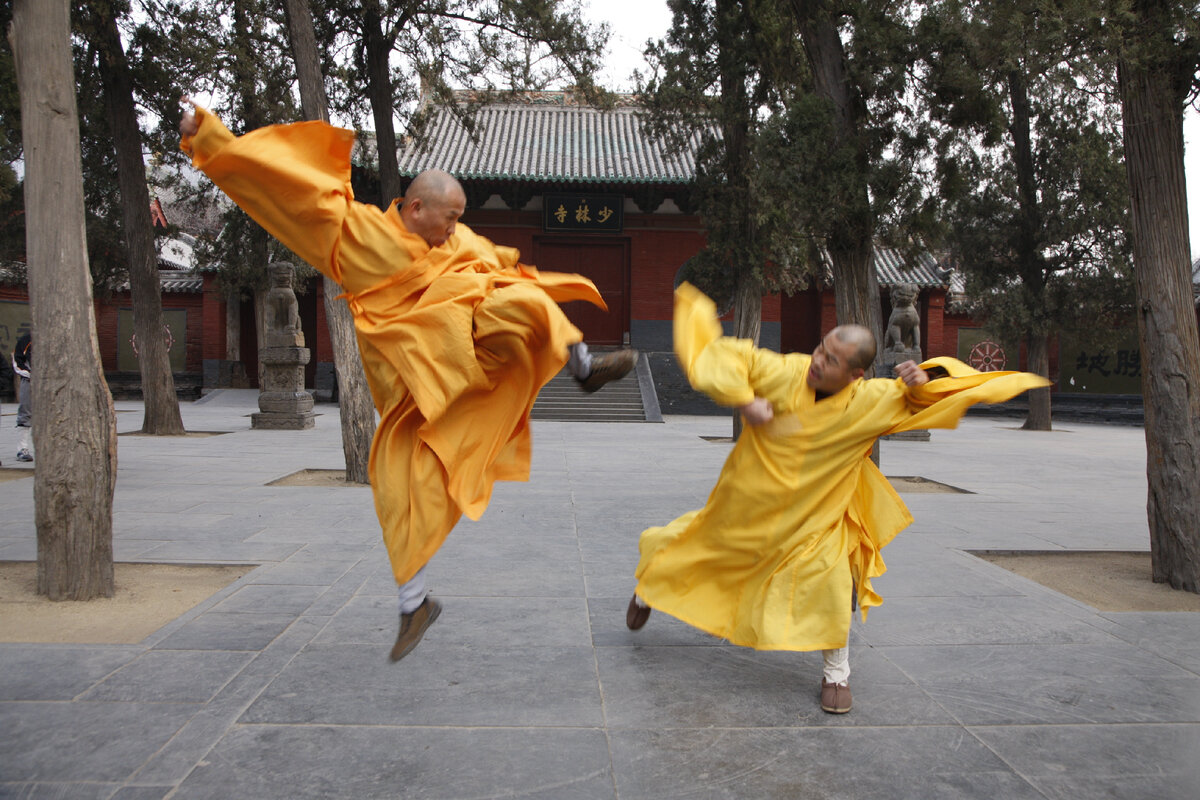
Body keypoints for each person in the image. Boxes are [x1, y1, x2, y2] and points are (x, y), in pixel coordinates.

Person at [180, 102, 636, 662]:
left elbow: (504, 265)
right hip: (410, 385)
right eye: (450, 216)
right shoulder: (357, 234)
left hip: (473, 352)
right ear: (415, 207)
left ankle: (582, 365)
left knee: (519, 294)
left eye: (460, 218)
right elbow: (284, 190)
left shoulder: (458, 242)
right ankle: (414, 603)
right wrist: (211, 138)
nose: (455, 228)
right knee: (397, 489)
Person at [626, 283, 1047, 714]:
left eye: (831, 360)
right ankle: (648, 588)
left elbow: (932, 400)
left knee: (832, 580)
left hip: (816, 517)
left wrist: (925, 381)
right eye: (820, 349)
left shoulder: (868, 402)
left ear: (855, 376)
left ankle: (836, 671)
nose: (817, 361)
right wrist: (744, 399)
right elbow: (723, 355)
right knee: (692, 548)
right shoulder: (787, 371)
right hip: (746, 504)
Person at [12, 329, 32, 463]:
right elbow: (17, 363)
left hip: (55, 382)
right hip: (30, 380)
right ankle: (22, 448)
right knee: (25, 413)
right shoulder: (26, 339)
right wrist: (31, 374)